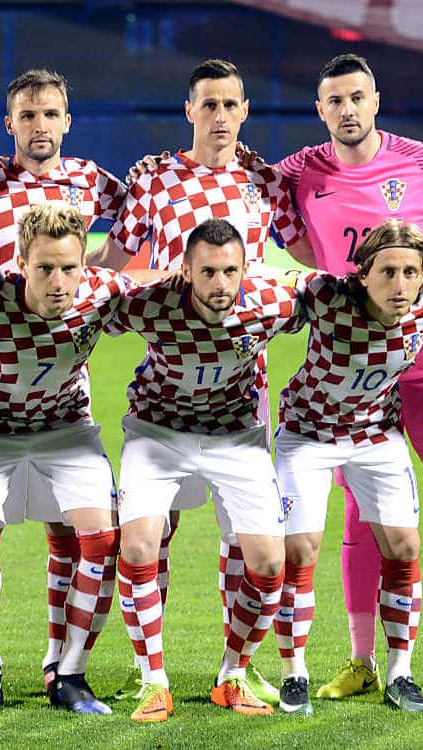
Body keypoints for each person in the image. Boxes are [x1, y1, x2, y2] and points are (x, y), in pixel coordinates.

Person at [271, 52, 423, 704]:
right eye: (334, 101)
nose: (347, 110)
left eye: (357, 97)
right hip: (350, 374)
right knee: (361, 514)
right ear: (320, 110)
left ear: (376, 100)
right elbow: (250, 191)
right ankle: (363, 660)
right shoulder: (297, 171)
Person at [94, 58, 312, 704]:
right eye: (207, 105)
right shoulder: (154, 178)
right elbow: (113, 258)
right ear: (188, 111)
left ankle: (233, 669)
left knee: (242, 542)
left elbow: (306, 251)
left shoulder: (264, 182)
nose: (219, 116)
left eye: (230, 105)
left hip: (243, 384)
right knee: (153, 533)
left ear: (245, 111)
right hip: (166, 371)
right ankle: (150, 674)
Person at [0, 203, 156, 718]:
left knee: (104, 539)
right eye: (44, 268)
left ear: (86, 264)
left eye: (69, 267)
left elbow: (165, 282)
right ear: (20, 262)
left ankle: (70, 673)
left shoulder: (102, 294)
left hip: (66, 429)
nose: (59, 281)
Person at [0, 69, 128, 691]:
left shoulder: (93, 182)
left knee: (74, 531)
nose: (40, 126)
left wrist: (93, 279)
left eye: (51, 114)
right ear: (11, 124)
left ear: (66, 120)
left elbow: (141, 214)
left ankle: (65, 666)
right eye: (28, 116)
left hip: (63, 387)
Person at [110, 218, 302, 722]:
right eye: (208, 272)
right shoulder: (149, 305)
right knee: (136, 547)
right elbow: (92, 300)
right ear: (186, 270)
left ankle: (232, 674)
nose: (220, 284)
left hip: (235, 437)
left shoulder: (271, 304)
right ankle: (153, 680)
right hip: (156, 432)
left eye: (230, 272)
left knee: (267, 565)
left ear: (246, 269)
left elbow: (322, 295)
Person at [273, 219, 423, 715]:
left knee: (405, 545)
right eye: (388, 272)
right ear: (362, 275)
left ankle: (399, 673)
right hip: (309, 434)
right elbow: (272, 280)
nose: (400, 284)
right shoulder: (326, 296)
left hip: (376, 436)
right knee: (301, 548)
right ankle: (294, 673)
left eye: (411, 272)